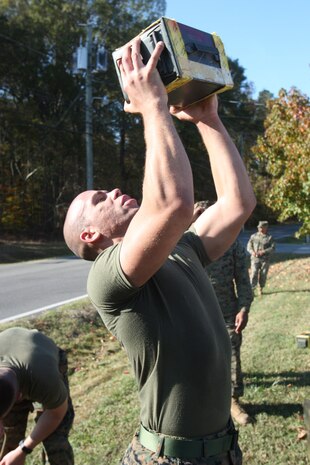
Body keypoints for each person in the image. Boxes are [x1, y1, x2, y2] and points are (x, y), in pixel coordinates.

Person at [63, 37, 256, 465]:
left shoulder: (180, 251)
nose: (113, 190)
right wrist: (153, 107)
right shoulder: (107, 278)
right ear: (91, 236)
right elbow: (172, 204)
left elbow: (238, 204)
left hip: (222, 451)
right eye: (99, 200)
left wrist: (208, 120)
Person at [0, 327, 74, 465]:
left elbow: (56, 414)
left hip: (44, 358)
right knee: (8, 441)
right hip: (16, 354)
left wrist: (23, 450)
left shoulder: (45, 380)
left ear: (20, 397)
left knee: (55, 441)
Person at [247, 220, 275, 295]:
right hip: (255, 258)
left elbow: (272, 248)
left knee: (263, 274)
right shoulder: (253, 236)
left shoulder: (269, 238)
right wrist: (252, 252)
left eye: (262, 227)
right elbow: (249, 246)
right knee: (254, 273)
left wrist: (263, 251)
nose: (260, 229)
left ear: (266, 228)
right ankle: (252, 289)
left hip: (265, 260)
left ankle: (261, 288)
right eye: (259, 227)